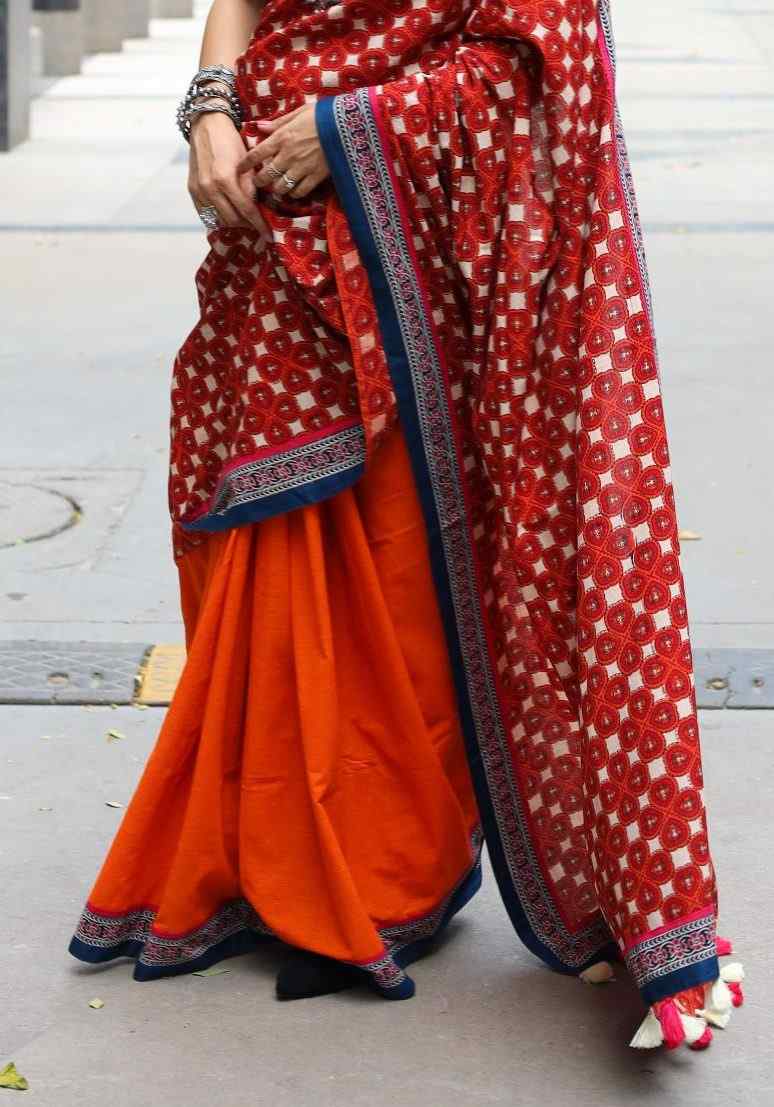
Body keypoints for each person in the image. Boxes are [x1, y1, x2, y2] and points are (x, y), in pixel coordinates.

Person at [68, 0, 745, 1051]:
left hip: (395, 234)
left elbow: (533, 58)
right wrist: (209, 111)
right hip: (271, 220)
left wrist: (351, 126)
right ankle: (269, 859)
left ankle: (377, 866)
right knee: (279, 548)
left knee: (385, 568)